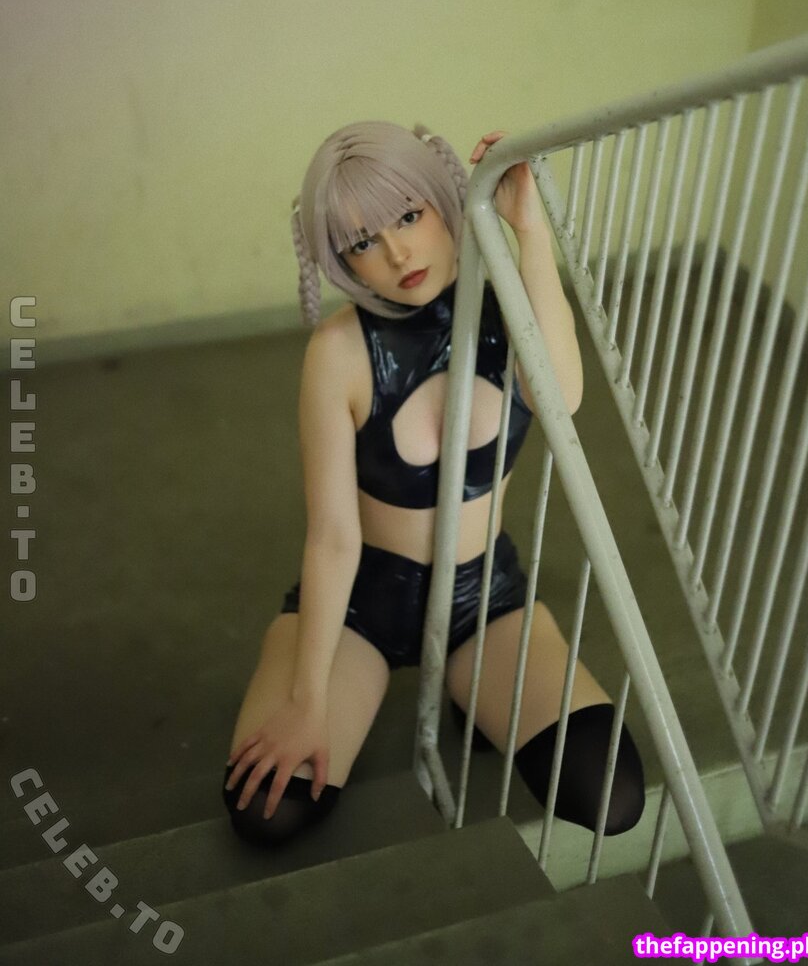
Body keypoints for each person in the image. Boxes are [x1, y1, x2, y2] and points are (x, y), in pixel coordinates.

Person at [221, 121, 645, 847]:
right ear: (341, 260)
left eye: (409, 216)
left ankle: (469, 689)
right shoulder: (338, 352)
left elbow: (562, 397)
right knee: (270, 810)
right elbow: (332, 538)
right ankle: (390, 689)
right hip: (362, 603)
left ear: (444, 200)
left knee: (609, 795)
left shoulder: (507, 309)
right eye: (362, 242)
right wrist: (306, 699)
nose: (396, 253)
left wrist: (527, 229)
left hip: (484, 598)